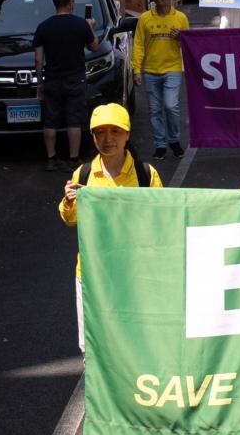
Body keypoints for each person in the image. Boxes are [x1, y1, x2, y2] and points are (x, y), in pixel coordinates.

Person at [59, 103, 162, 352]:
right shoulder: (83, 174)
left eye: (115, 132)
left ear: (127, 134)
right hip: (93, 275)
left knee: (136, 342)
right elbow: (70, 220)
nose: (108, 139)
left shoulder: (145, 174)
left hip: (136, 275)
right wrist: (69, 201)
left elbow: (160, 219)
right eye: (100, 132)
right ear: (93, 137)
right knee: (94, 346)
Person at [33, 0, 100, 171]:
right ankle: (73, 158)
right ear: (71, 3)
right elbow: (94, 47)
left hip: (52, 79)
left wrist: (40, 83)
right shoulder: (80, 24)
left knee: (50, 119)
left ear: (54, 3)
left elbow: (39, 59)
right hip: (75, 79)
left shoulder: (43, 27)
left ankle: (51, 158)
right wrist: (91, 27)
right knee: (74, 119)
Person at [132, 0, 188, 161]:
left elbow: (189, 44)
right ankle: (160, 145)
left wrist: (180, 37)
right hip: (150, 70)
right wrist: (136, 69)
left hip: (172, 68)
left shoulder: (180, 18)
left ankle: (174, 140)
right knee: (154, 110)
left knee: (171, 106)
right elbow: (138, 44)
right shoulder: (145, 18)